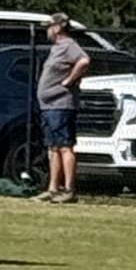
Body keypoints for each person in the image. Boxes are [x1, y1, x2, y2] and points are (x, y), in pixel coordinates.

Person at [35, 13, 90, 204]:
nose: (47, 30)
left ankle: (69, 190)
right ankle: (52, 189)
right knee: (53, 148)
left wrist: (69, 80)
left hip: (61, 105)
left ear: (58, 27)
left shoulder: (69, 45)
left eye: (49, 27)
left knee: (65, 147)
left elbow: (84, 60)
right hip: (48, 106)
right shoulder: (56, 48)